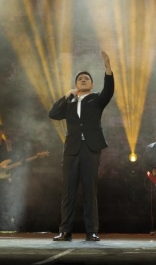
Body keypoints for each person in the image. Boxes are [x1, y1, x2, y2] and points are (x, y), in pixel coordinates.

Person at [49, 52, 114, 241]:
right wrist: (66, 95)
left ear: (91, 84)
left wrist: (108, 68)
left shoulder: (96, 99)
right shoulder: (69, 102)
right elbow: (53, 114)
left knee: (89, 191)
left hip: (90, 149)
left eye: (86, 78)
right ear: (75, 84)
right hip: (71, 150)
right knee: (68, 192)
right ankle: (65, 231)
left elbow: (109, 90)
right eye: (80, 78)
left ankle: (91, 231)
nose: (83, 80)